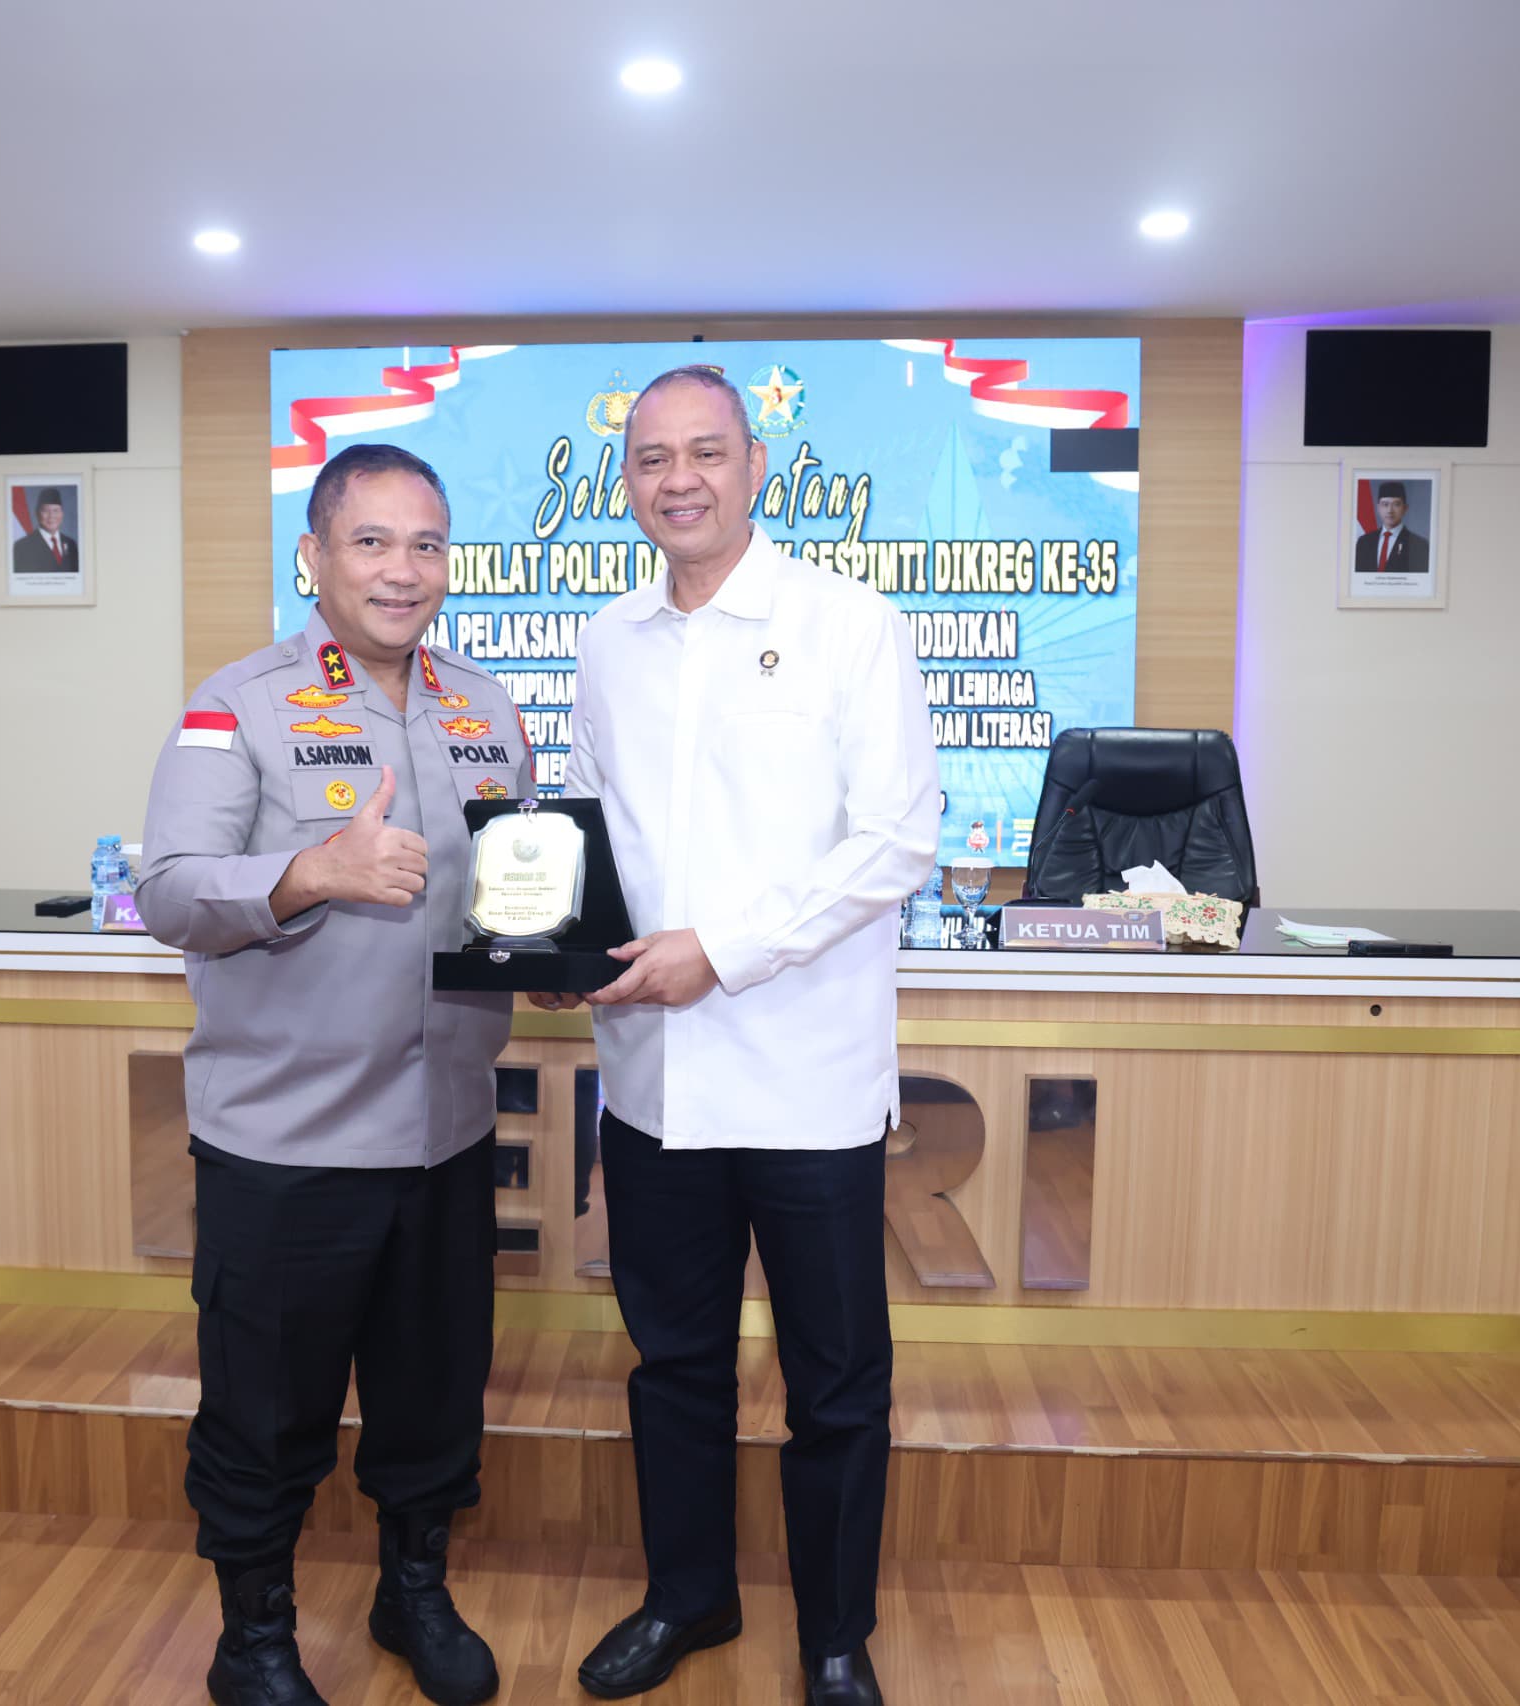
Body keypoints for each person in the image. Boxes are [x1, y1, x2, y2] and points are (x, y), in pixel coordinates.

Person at [539, 367, 940, 1706]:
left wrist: (726, 948)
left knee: (835, 1381)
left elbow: (896, 840)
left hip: (807, 1088)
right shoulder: (608, 641)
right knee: (674, 1365)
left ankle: (833, 1635)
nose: (679, 480)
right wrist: (562, 946)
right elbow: (590, 829)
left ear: (756, 465)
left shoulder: (850, 624)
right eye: (652, 458)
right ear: (627, 480)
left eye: (705, 452)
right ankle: (688, 1594)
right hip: (655, 1089)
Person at [137, 442, 532, 1706]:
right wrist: (310, 872)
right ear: (312, 555)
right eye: (370, 541)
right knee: (265, 1412)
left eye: (425, 543)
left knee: (433, 1398)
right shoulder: (237, 705)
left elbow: (507, 895)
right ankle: (252, 1636)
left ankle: (412, 1587)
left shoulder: (486, 710)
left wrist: (549, 952)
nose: (401, 569)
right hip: (286, 1146)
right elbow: (169, 891)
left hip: (444, 1134)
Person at [1353, 480, 1427, 577]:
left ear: (1405, 508)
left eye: (1396, 504)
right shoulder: (1363, 542)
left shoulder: (1419, 545)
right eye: (1385, 504)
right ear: (1378, 508)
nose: (1390, 510)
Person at [14, 487, 81, 576]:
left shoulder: (71, 544)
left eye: (56, 510)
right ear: (37, 514)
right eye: (45, 511)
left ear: (62, 514)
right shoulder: (21, 547)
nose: (51, 516)